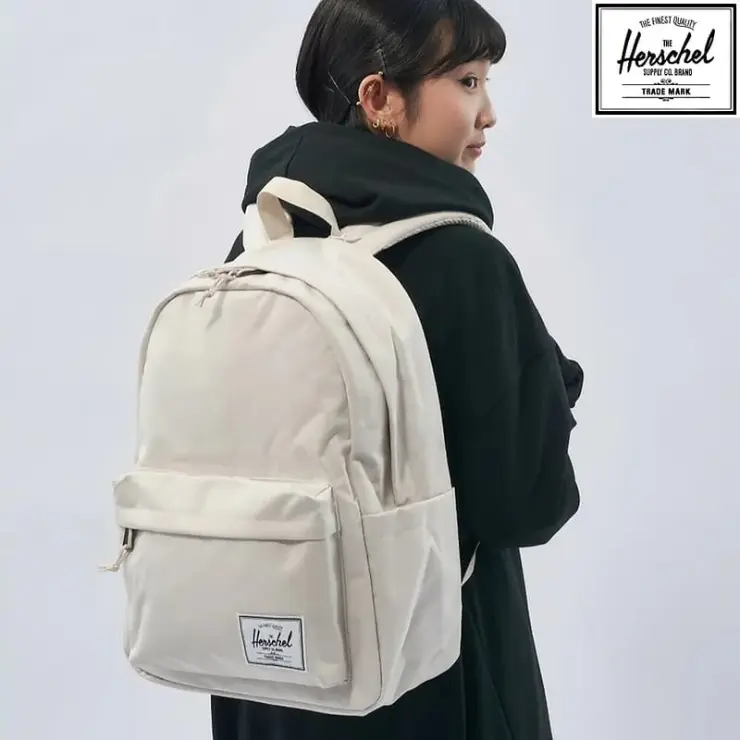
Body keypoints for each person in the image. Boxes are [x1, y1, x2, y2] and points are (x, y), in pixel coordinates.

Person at [212, 0, 584, 738]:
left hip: (269, 670)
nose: (488, 114)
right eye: (468, 82)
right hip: (427, 673)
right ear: (379, 97)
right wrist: (551, 385)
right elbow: (528, 503)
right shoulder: (464, 258)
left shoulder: (260, 244)